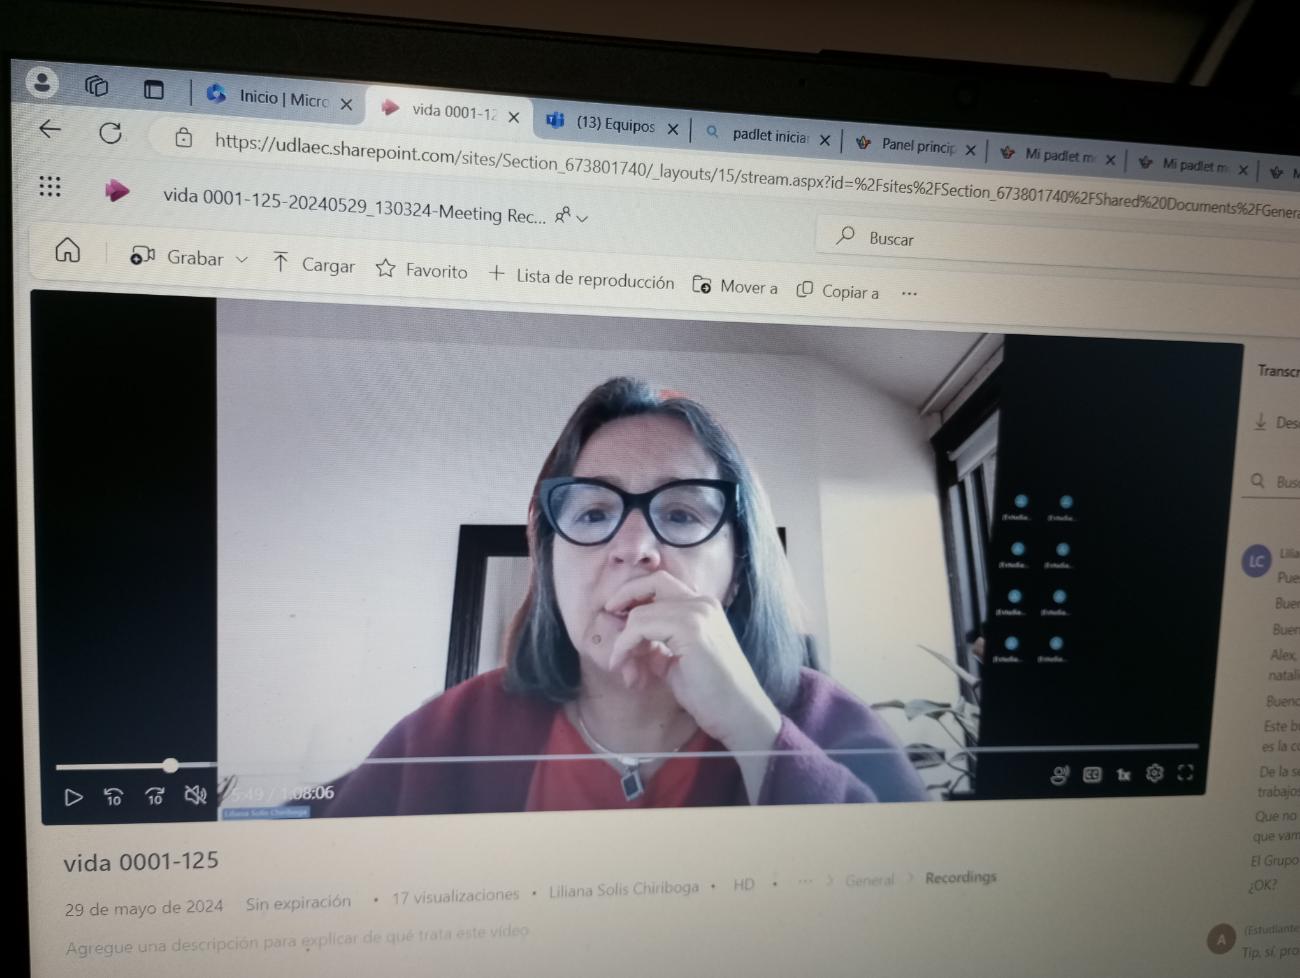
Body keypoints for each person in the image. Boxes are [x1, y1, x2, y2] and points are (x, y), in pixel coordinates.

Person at [315, 377, 926, 816]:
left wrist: (754, 730)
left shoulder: (828, 723)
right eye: (593, 512)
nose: (634, 548)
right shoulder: (452, 732)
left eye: (681, 513)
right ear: (548, 561)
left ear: (739, 569)